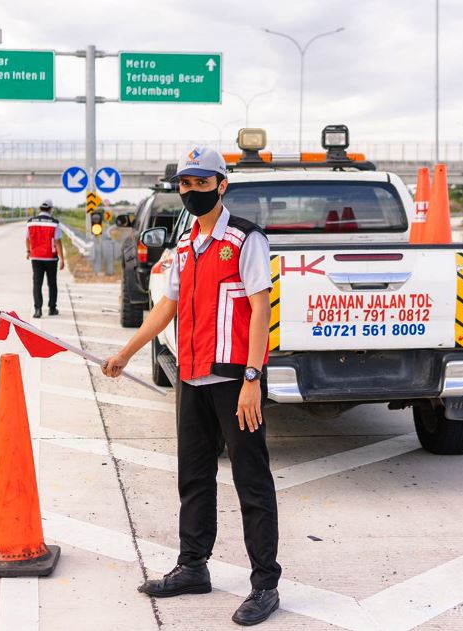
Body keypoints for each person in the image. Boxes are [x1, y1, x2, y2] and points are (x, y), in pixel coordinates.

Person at [102, 147, 282, 626]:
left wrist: (251, 377)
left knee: (252, 481)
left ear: (222, 185)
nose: (191, 191)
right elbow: (167, 308)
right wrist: (127, 351)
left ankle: (265, 584)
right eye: (185, 184)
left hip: (233, 379)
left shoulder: (246, 240)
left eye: (201, 183)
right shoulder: (184, 247)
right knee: (194, 477)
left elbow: (261, 311)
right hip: (191, 376)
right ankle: (193, 567)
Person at [26, 199, 65, 318]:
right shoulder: (54, 223)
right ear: (51, 209)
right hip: (50, 258)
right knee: (52, 283)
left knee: (37, 283)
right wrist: (62, 259)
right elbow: (57, 241)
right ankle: (52, 308)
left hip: (36, 257)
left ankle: (38, 310)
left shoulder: (31, 222)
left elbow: (27, 239)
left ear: (40, 209)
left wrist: (28, 251)